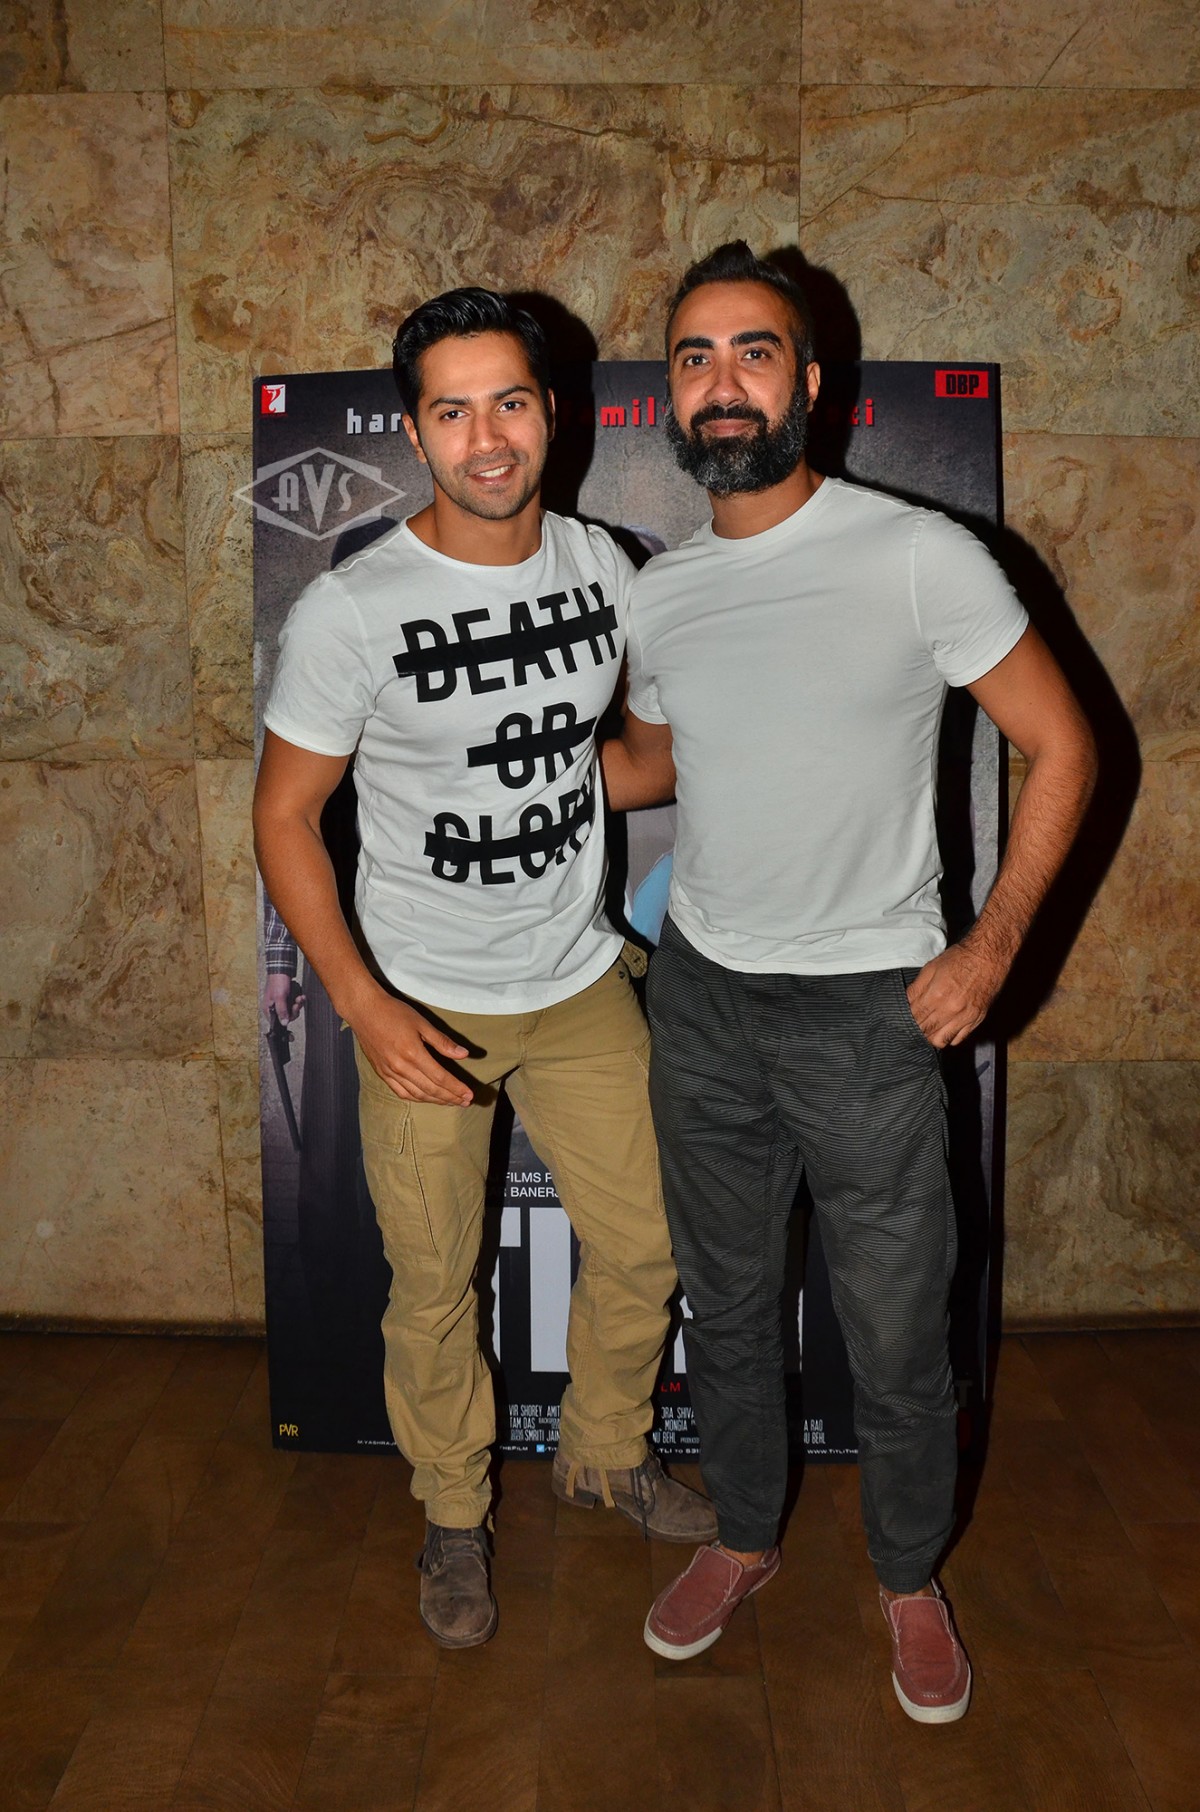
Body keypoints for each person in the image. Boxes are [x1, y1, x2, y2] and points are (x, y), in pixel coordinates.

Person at [602, 242, 1096, 1721]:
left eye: (753, 352)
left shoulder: (917, 555)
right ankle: (746, 1536)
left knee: (895, 1331)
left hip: (870, 1013)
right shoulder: (664, 592)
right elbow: (654, 762)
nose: (723, 382)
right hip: (704, 1001)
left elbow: (1066, 746)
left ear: (812, 384)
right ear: (669, 396)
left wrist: (993, 944)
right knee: (728, 1309)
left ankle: (908, 1576)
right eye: (695, 357)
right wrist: (486, 744)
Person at [253, 287, 716, 1651]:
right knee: (434, 1284)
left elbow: (635, 759)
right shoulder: (354, 610)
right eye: (451, 412)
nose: (487, 437)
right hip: (424, 1004)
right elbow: (284, 819)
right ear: (414, 434)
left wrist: (598, 775)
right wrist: (363, 1004)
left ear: (551, 414)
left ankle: (603, 1450)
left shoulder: (602, 567)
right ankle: (454, 1512)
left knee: (653, 1239)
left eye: (508, 402)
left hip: (577, 980)